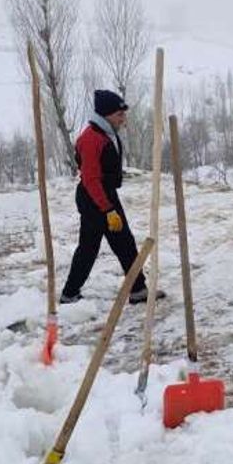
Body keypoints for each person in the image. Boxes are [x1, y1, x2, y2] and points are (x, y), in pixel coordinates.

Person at [61, 90, 164, 305]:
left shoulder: (106, 133)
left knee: (123, 242)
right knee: (90, 248)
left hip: (105, 195)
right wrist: (107, 209)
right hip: (94, 199)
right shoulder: (91, 139)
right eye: (119, 115)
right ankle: (70, 293)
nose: (123, 119)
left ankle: (137, 289)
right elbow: (91, 179)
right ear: (107, 115)